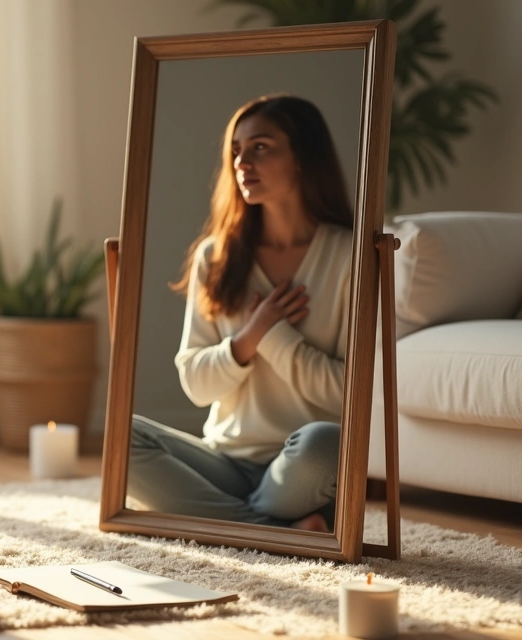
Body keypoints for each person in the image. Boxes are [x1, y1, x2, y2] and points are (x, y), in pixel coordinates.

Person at [128, 94, 353, 532]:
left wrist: (275, 336)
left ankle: (228, 520)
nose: (242, 163)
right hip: (224, 462)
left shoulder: (350, 256)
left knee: (328, 443)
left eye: (261, 147)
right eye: (236, 150)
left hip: (300, 471)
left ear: (303, 156)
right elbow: (196, 383)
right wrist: (249, 338)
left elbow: (346, 394)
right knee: (121, 435)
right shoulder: (216, 257)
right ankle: (279, 530)